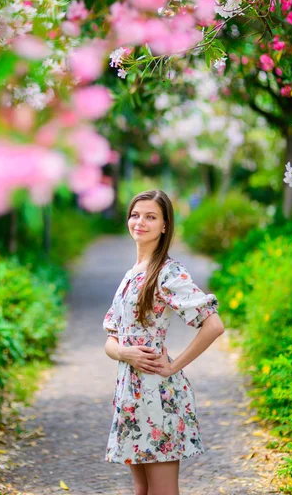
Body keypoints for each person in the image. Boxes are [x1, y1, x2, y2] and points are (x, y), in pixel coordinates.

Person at [102, 189, 225, 495]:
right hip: (129, 392)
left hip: (158, 394)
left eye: (150, 216)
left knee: (162, 491)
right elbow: (110, 339)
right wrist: (125, 353)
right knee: (141, 489)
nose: (140, 222)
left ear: (165, 225)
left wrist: (173, 367)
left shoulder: (168, 274)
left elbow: (213, 325)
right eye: (135, 214)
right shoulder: (132, 274)